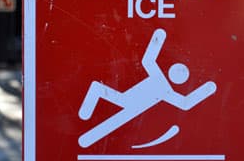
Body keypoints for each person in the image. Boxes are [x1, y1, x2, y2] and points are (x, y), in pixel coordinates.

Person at [78, 28, 217, 148]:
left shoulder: (162, 81)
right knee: (115, 115)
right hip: (131, 101)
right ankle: (94, 95)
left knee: (114, 116)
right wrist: (208, 88)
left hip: (133, 104)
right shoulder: (166, 89)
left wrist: (159, 36)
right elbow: (185, 103)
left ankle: (94, 97)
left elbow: (148, 60)